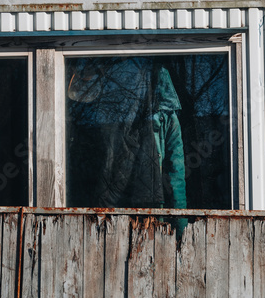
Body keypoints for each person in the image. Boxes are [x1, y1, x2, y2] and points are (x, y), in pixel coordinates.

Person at [65, 56, 186, 217]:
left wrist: (180, 230)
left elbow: (175, 177)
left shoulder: (163, 119)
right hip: (114, 209)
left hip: (141, 215)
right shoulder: (97, 116)